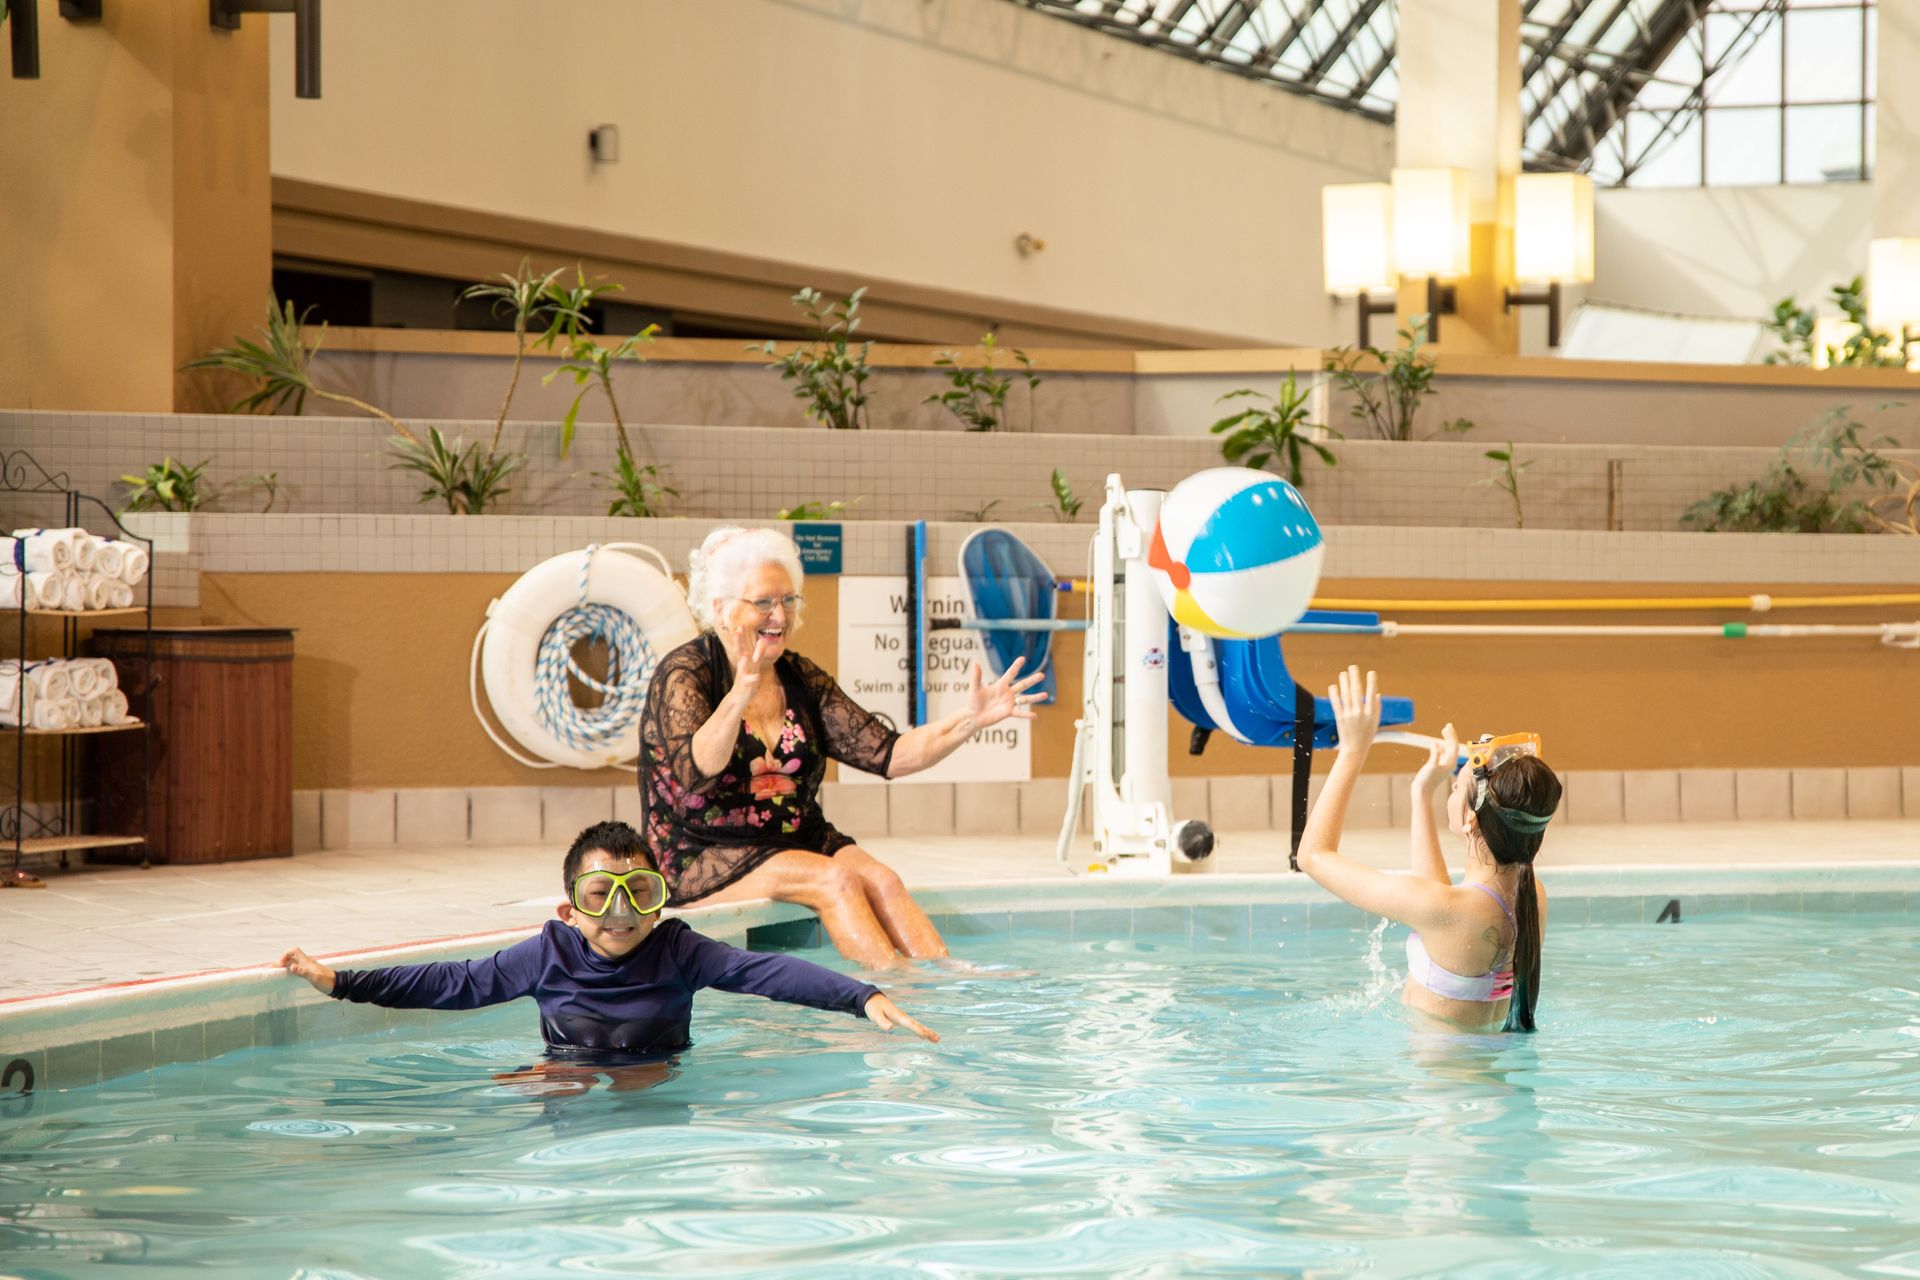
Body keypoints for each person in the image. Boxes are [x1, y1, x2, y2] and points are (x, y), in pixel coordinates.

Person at [639, 526, 1045, 968]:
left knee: (884, 881)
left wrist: (969, 720)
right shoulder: (685, 673)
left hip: (795, 837)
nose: (780, 615)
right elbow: (697, 771)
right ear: (720, 608)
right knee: (834, 880)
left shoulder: (798, 677)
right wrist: (739, 695)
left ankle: (950, 983)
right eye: (763, 602)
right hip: (701, 850)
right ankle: (895, 989)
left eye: (788, 599)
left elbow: (890, 755)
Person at [278, 820, 938, 1059]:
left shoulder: (679, 950)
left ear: (660, 901)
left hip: (652, 1070)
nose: (621, 913)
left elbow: (766, 973)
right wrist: (343, 982)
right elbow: (456, 983)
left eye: (639, 893)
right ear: (569, 909)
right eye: (600, 896)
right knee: (548, 1089)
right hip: (565, 1065)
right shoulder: (548, 953)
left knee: (639, 1093)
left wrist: (863, 997)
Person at [1293, 666, 1561, 1033]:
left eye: (1456, 787)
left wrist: (1354, 749)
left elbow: (1312, 856)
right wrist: (1421, 794)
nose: (1452, 789)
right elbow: (1439, 904)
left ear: (1469, 820)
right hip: (1481, 1061)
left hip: (1438, 1071)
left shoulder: (1445, 909)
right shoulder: (1530, 896)